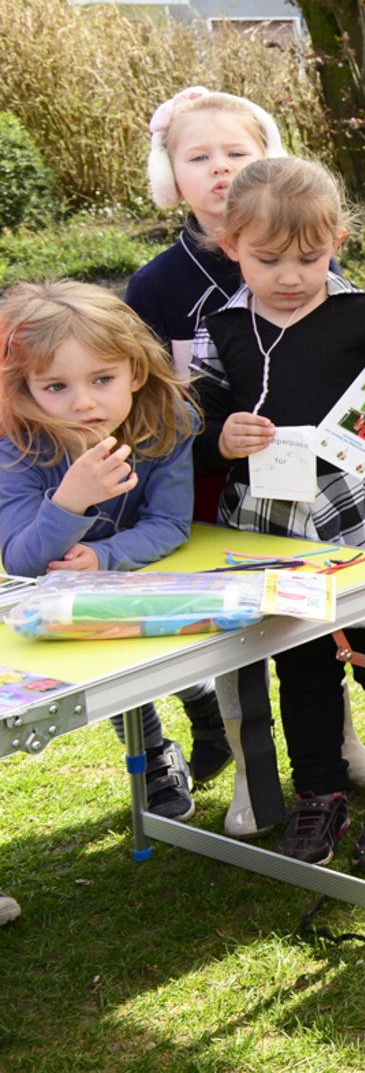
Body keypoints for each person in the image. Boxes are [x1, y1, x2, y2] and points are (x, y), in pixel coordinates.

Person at [191, 157, 365, 867]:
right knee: (302, 661)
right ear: (231, 245)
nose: (290, 276)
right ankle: (319, 792)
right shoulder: (222, 328)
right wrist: (219, 437)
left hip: (360, 508)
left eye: (309, 258)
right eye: (268, 259)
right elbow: (197, 420)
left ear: (336, 240)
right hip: (271, 517)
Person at [124, 86, 363, 835]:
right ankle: (251, 769)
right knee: (237, 628)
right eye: (199, 157)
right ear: (170, 174)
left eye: (237, 152)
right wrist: (209, 436)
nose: (220, 169)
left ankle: (342, 742)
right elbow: (145, 393)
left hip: (311, 488)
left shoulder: (308, 249)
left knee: (315, 620)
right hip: (205, 480)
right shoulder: (156, 284)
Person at [0, 281, 203, 822]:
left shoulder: (168, 422)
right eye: (56, 386)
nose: (83, 402)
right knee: (112, 666)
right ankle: (152, 754)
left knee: (173, 653)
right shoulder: (17, 446)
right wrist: (71, 499)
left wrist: (104, 556)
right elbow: (20, 559)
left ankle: (202, 701)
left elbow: (168, 523)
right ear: (26, 389)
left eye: (102, 379)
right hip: (70, 600)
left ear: (134, 371)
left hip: (154, 579)